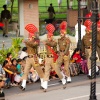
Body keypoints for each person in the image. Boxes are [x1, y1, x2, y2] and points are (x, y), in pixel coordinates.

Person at [41, 24, 66, 92]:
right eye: (48, 37)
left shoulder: (54, 42)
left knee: (57, 71)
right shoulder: (47, 42)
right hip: (48, 58)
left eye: (49, 37)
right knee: (46, 72)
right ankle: (45, 86)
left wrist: (46, 43)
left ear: (52, 37)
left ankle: (63, 79)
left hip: (53, 58)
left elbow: (52, 45)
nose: (48, 38)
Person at [19, 24, 44, 91]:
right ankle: (23, 85)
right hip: (28, 58)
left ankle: (43, 84)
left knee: (39, 71)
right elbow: (28, 43)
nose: (29, 38)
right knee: (26, 71)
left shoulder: (35, 42)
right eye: (29, 37)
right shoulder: (28, 42)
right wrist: (27, 41)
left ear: (32, 37)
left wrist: (27, 41)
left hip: (34, 58)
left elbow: (33, 45)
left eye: (30, 37)